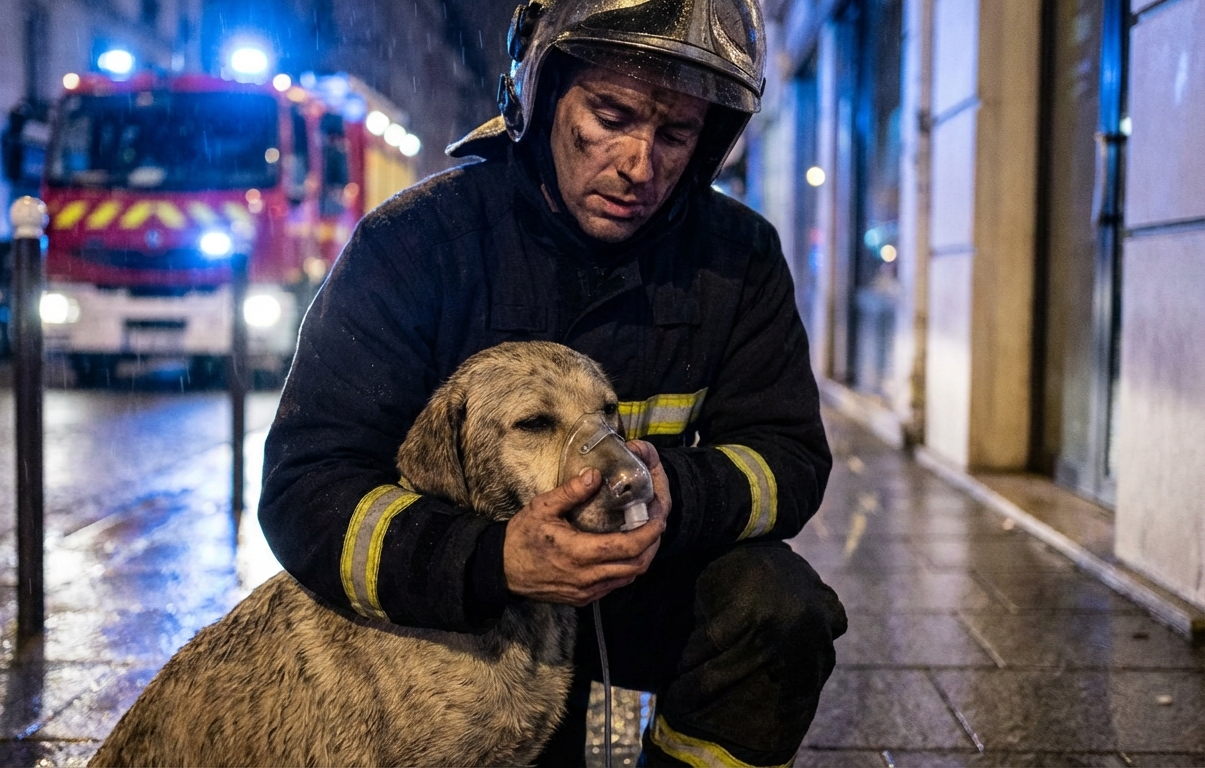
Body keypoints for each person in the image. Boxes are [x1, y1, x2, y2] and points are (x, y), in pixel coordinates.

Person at [258, 0, 848, 765]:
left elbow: (790, 458)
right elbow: (308, 488)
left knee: (779, 612)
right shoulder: (414, 246)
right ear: (537, 95)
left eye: (675, 134)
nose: (641, 164)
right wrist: (490, 559)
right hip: (457, 622)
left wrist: (679, 492)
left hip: (642, 592)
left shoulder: (737, 259)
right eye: (611, 115)